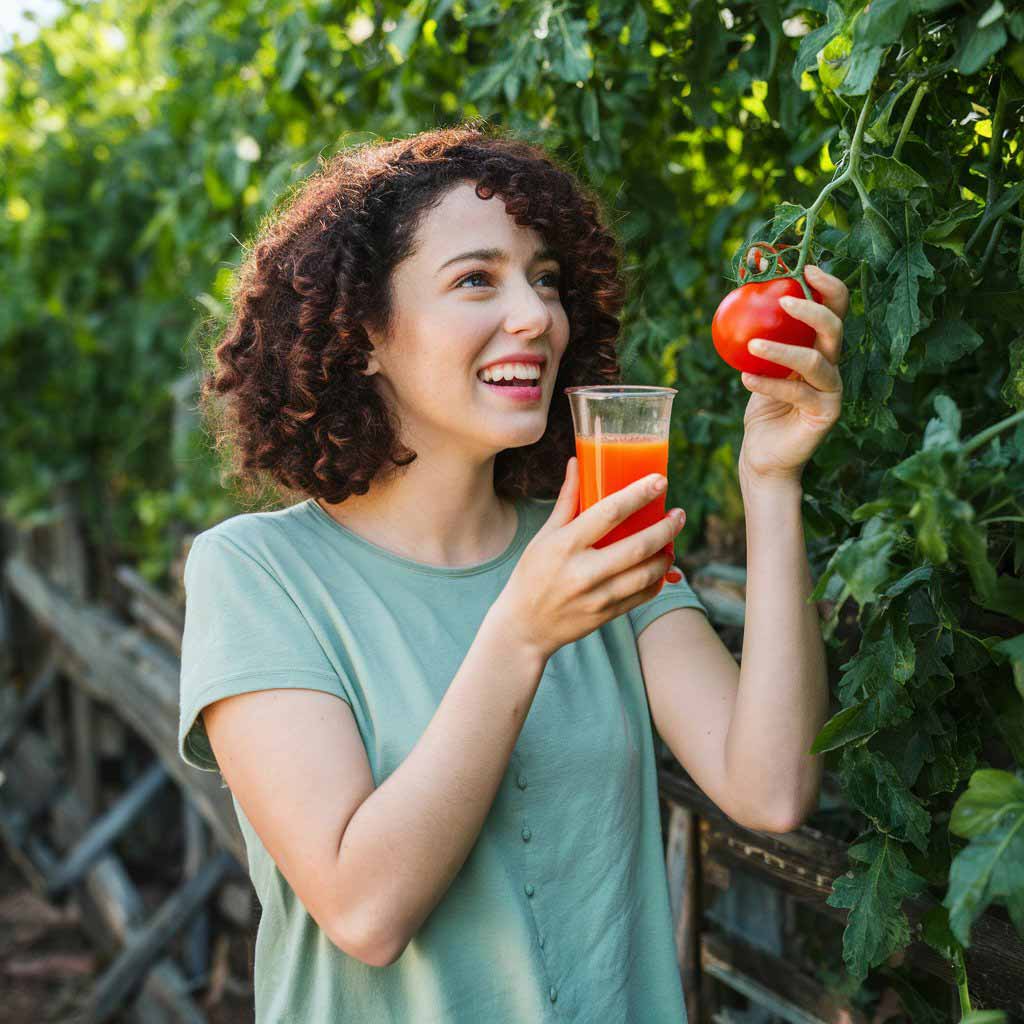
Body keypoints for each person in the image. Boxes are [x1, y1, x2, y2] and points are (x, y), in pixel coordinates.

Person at [178, 122, 843, 1022]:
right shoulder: (258, 574)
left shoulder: (596, 546)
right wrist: (522, 632)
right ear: (364, 331)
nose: (535, 316)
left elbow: (769, 787)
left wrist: (771, 479)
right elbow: (366, 912)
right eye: (475, 280)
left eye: (546, 280)